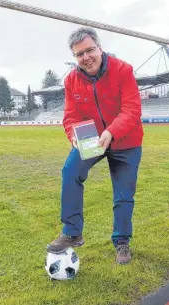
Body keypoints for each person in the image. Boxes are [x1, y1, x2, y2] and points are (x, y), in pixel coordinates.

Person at [46, 26, 143, 264]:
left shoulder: (123, 70)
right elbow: (70, 116)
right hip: (92, 140)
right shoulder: (71, 80)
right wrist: (73, 136)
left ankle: (121, 242)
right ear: (75, 58)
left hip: (125, 141)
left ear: (100, 48)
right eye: (80, 54)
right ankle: (72, 232)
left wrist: (112, 131)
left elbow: (132, 110)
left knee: (123, 194)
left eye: (90, 50)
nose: (86, 57)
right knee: (70, 172)